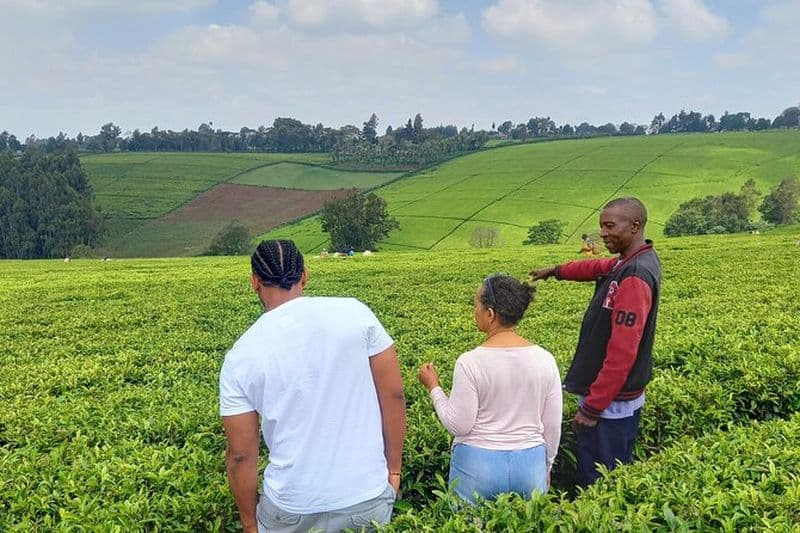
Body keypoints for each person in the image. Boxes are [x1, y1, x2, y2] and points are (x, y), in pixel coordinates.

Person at [219, 239, 406, 533]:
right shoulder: (356, 314)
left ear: (255, 282)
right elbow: (394, 395)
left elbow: (241, 453)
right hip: (365, 496)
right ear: (304, 275)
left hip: (290, 508)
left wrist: (249, 523)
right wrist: (394, 469)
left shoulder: (240, 355)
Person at [530, 197, 660, 486]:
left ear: (635, 226)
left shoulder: (635, 276)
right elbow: (595, 267)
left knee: (601, 477)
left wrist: (592, 409)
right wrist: (555, 271)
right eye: (602, 225)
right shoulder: (627, 262)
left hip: (612, 404)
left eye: (610, 226)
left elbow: (622, 353)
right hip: (610, 398)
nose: (602, 233)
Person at [417, 275, 562, 504]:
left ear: (490, 314)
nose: (474, 311)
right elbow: (552, 425)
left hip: (477, 465)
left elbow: (458, 424)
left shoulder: (470, 362)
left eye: (476, 305)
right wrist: (547, 466)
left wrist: (433, 387)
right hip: (530, 462)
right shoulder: (545, 359)